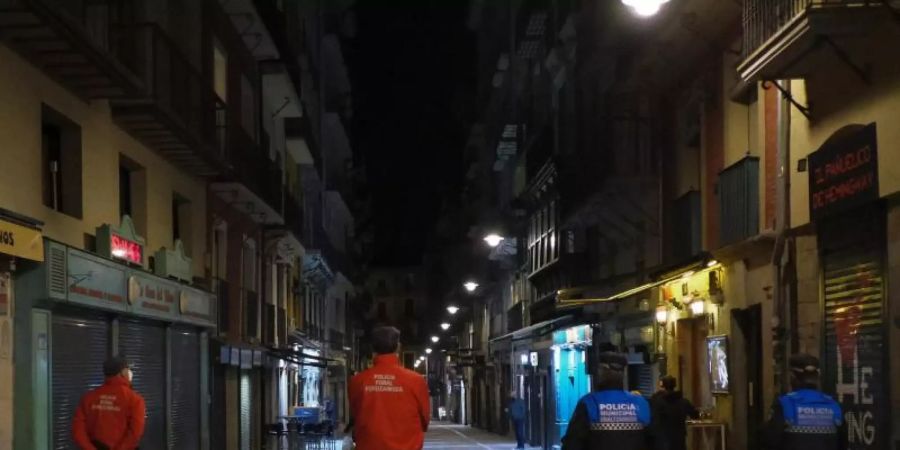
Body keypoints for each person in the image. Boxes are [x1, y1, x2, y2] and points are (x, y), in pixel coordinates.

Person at [349, 326, 430, 450]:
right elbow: (424, 421)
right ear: (398, 347)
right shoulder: (416, 381)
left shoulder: (358, 381)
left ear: (373, 347)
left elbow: (356, 414)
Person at [562, 352, 652, 450]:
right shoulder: (641, 403)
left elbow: (572, 443)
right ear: (623, 374)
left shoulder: (589, 403)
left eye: (600, 369)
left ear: (602, 371)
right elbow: (654, 439)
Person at [761, 353, 845, 450]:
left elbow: (770, 441)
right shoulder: (833, 405)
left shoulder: (784, 404)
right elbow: (842, 443)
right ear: (818, 377)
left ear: (792, 376)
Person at [72, 355, 146, 450]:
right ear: (122, 372)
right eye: (128, 369)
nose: (130, 372)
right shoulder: (135, 399)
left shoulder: (88, 398)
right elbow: (135, 433)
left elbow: (78, 431)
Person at [649, 376, 698, 450]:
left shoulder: (656, 401)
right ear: (674, 386)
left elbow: (652, 418)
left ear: (662, 386)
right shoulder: (683, 401)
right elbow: (695, 415)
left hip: (662, 440)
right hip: (679, 439)